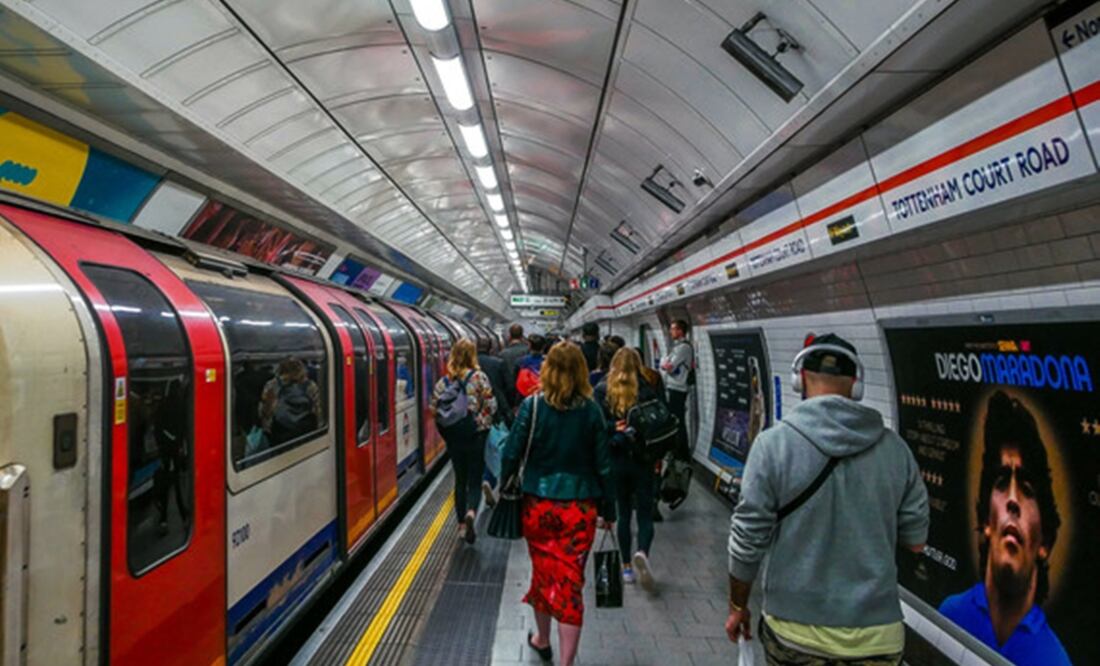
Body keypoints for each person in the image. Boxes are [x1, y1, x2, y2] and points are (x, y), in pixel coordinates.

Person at [725, 333, 929, 665]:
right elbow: (917, 542)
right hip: (877, 636)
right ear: (855, 383)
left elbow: (747, 541)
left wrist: (737, 607)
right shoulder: (897, 451)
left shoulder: (772, 446)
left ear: (799, 378)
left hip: (795, 634)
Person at [501, 342, 616, 666]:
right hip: (579, 509)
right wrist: (610, 509)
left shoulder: (532, 406)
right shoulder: (592, 410)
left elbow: (511, 453)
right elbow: (604, 464)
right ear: (582, 371)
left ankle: (541, 639)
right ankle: (566, 660)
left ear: (547, 369)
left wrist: (504, 484)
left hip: (538, 505)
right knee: (570, 581)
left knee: (543, 573)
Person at [938, 391, 1068, 665]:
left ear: (1045, 541)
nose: (1012, 500)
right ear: (986, 522)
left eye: (1026, 489)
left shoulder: (1054, 659)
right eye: (1000, 483)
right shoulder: (950, 614)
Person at [594, 348, 664, 591]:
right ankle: (642, 552)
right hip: (643, 459)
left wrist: (615, 428)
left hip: (616, 460)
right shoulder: (648, 389)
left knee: (623, 514)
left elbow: (597, 428)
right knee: (644, 513)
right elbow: (662, 421)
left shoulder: (602, 390)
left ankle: (625, 568)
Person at [430, 339, 497, 544]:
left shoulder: (444, 382)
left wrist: (448, 433)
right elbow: (491, 406)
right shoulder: (479, 377)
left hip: (454, 437)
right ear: (472, 355)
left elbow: (435, 410)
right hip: (477, 434)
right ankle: (471, 512)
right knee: (474, 480)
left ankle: (460, 525)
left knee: (460, 480)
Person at [477, 336, 515, 506]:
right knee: (495, 447)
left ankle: (483, 479)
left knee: (481, 448)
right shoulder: (498, 363)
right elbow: (509, 387)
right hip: (496, 412)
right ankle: (490, 479)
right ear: (492, 347)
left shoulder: (469, 366)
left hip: (473, 416)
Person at [259, 358, 322, 446]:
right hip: (305, 430)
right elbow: (317, 409)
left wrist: (267, 430)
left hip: (280, 432)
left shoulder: (272, 385)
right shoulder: (310, 385)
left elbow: (265, 412)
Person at [659, 320, 693, 462]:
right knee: (675, 420)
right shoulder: (676, 347)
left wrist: (663, 363)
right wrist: (664, 362)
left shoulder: (683, 348)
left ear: (680, 331)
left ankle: (682, 453)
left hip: (678, 388)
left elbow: (668, 366)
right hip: (673, 387)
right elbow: (665, 363)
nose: (671, 332)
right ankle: (677, 450)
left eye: (673, 329)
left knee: (678, 421)